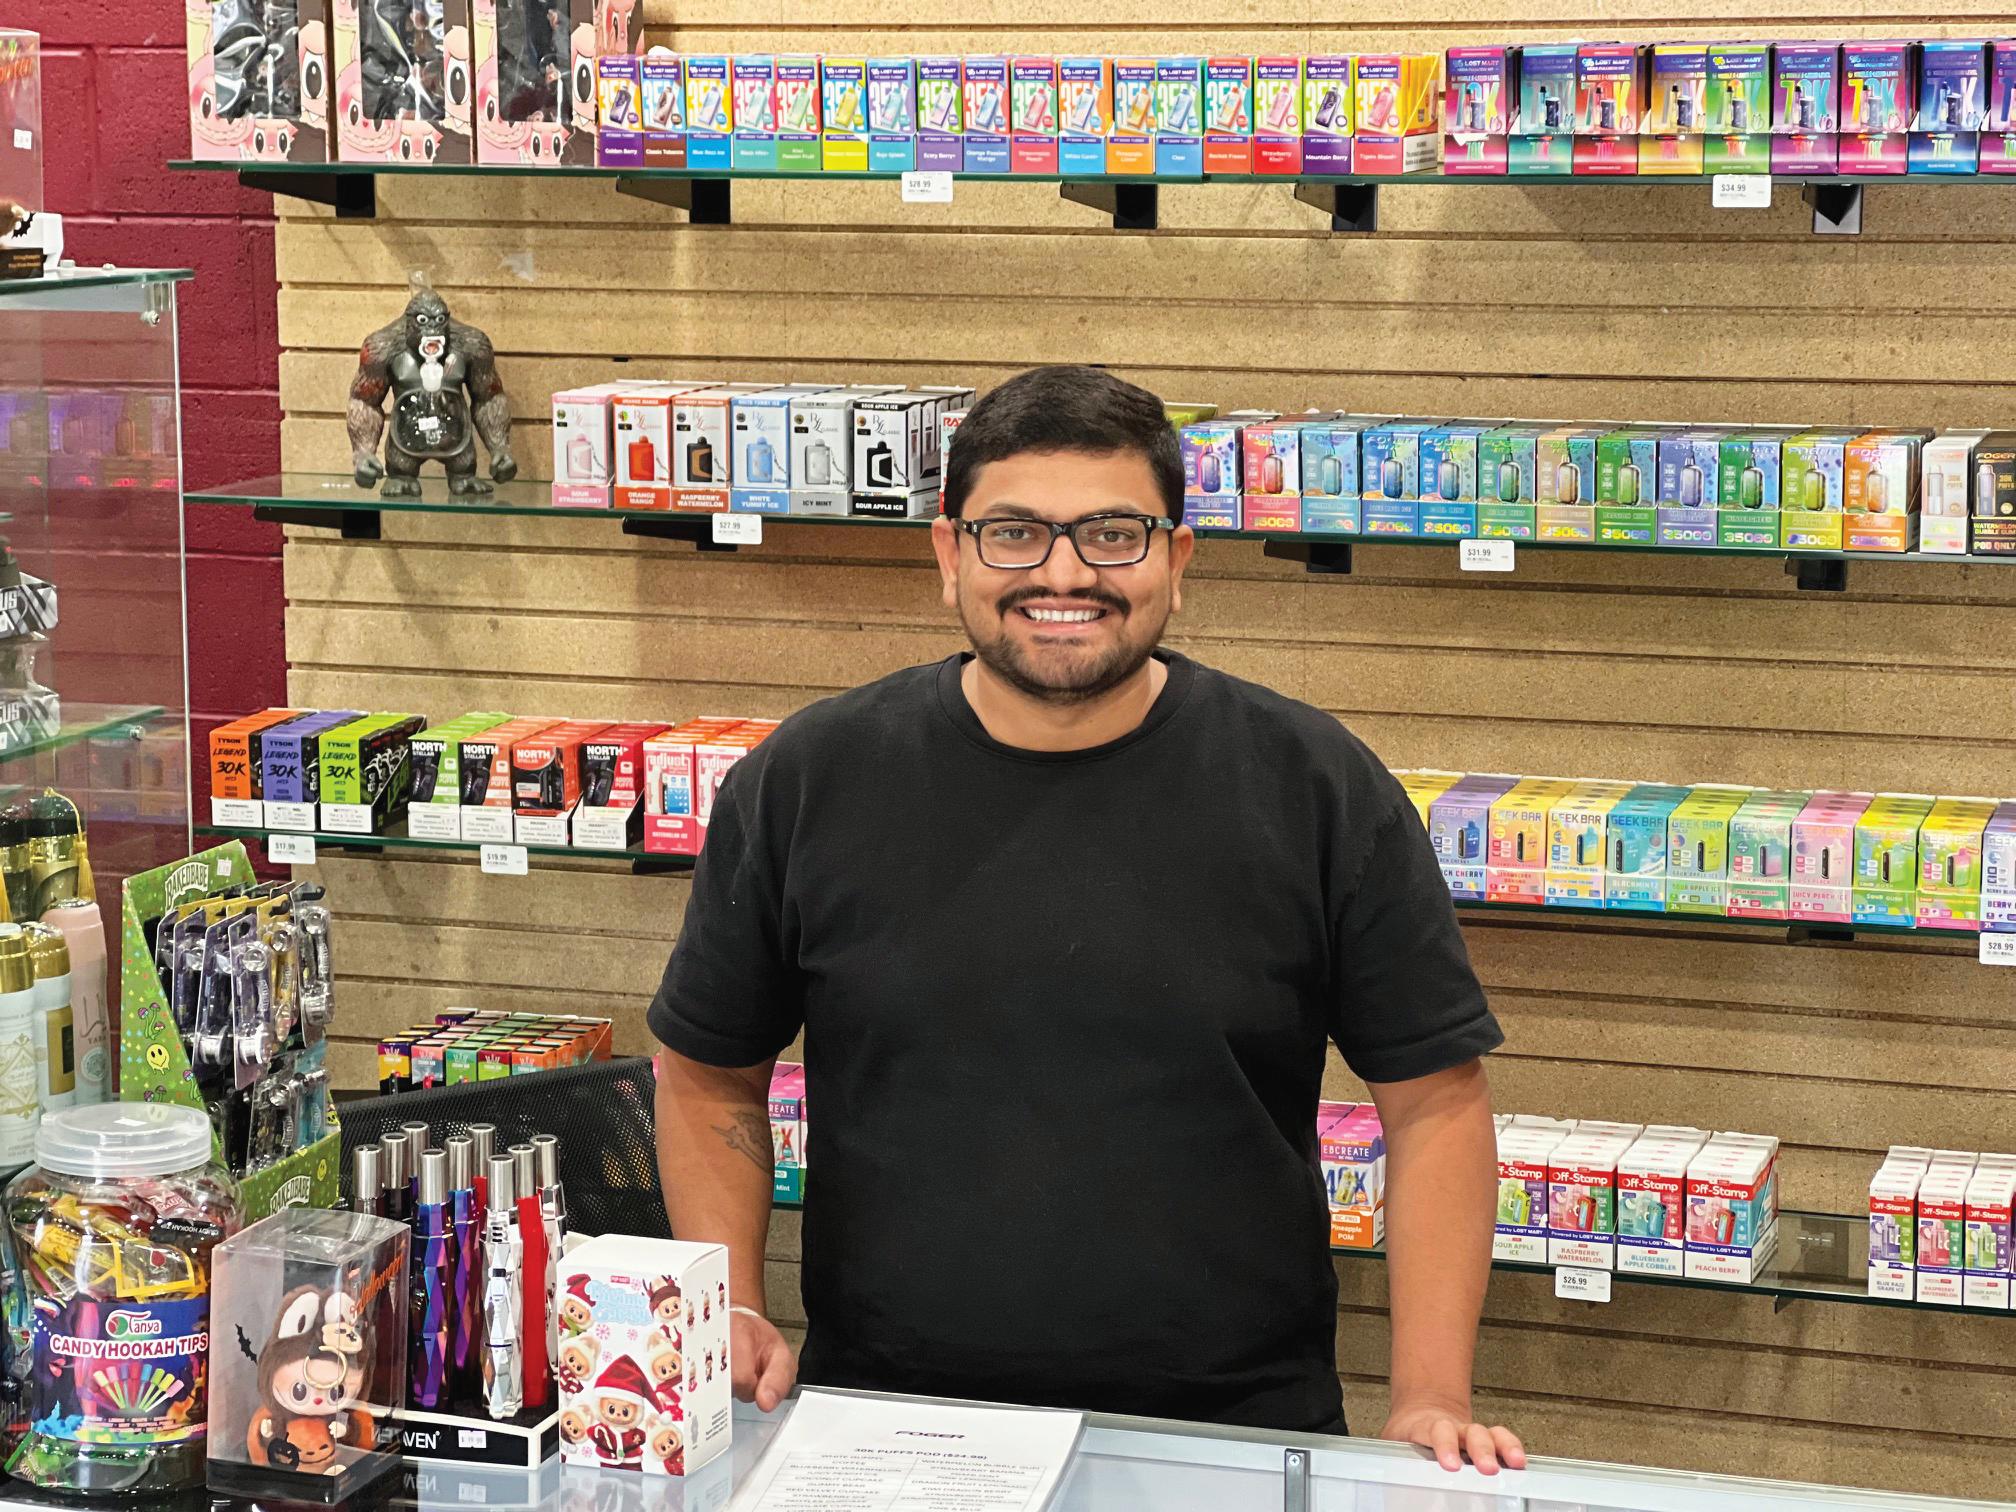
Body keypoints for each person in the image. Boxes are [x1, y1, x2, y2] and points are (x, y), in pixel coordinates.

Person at [649, 365, 1525, 1475]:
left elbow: (1436, 1101)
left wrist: (1430, 1396)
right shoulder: (808, 779)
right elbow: (708, 1073)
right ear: (948, 553)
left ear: (1178, 560)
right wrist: (726, 1301)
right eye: (1013, 532)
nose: (1063, 574)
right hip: (889, 1432)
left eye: (1113, 534)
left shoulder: (1314, 785)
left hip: (1232, 1439)